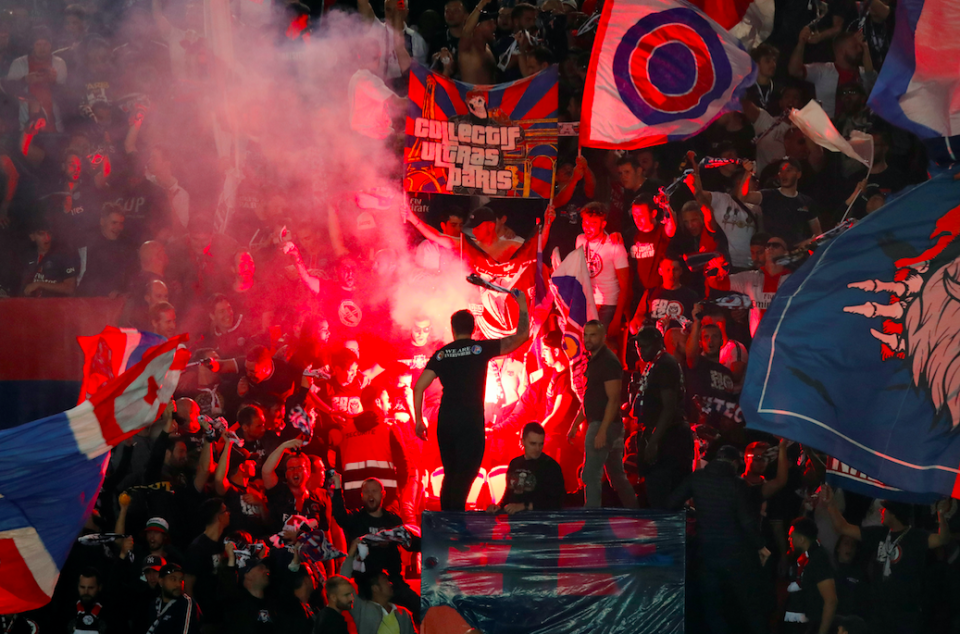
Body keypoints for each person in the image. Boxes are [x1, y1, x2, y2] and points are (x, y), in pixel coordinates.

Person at [413, 294, 529, 511]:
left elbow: (418, 387)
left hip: (446, 421)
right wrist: (522, 305)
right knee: (467, 472)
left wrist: (419, 421)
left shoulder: (442, 354)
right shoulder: (480, 349)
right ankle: (455, 522)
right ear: (474, 329)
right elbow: (522, 336)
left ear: (453, 329)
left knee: (451, 473)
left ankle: (448, 521)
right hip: (470, 421)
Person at [666, 446, 771, 634]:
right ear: (735, 463)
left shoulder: (697, 478)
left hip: (707, 553)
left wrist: (694, 512)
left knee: (713, 609)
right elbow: (746, 521)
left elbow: (672, 503)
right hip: (736, 554)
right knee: (749, 606)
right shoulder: (737, 484)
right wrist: (760, 545)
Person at [821, 486, 952, 634]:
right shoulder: (878, 534)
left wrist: (941, 515)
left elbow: (942, 538)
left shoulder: (915, 537)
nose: (881, 512)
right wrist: (831, 504)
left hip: (906, 616)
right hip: (878, 613)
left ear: (894, 514)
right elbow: (842, 527)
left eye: (885, 510)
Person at [567, 320, 638, 509]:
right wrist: (575, 424)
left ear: (603, 337)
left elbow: (613, 400)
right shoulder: (595, 360)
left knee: (590, 475)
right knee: (616, 476)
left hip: (603, 425)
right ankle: (636, 512)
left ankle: (592, 521)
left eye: (593, 335)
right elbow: (590, 398)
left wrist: (602, 431)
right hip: (602, 424)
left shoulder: (608, 361)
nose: (588, 339)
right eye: (586, 335)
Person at [330, 474, 420, 622]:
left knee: (421, 607)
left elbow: (409, 543)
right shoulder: (356, 519)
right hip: (367, 584)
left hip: (392, 581)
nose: (370, 495)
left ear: (383, 494)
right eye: (367, 492)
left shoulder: (393, 520)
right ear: (362, 495)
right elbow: (340, 515)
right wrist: (338, 487)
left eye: (374, 491)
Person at [629, 327, 692, 508]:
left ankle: (670, 533)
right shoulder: (655, 363)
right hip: (662, 436)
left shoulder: (665, 364)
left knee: (664, 499)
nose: (641, 350)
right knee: (659, 497)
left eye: (645, 346)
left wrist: (654, 441)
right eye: (638, 346)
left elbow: (669, 407)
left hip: (669, 440)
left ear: (657, 344)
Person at [707, 234, 792, 337]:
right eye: (768, 246)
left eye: (775, 245)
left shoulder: (795, 280)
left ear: (785, 253)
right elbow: (716, 283)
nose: (770, 248)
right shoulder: (751, 277)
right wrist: (715, 268)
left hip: (784, 342)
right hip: (759, 346)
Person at [788, 28, 876, 118]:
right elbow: (794, 71)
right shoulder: (823, 71)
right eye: (855, 47)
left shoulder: (864, 72)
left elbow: (872, 86)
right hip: (828, 128)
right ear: (840, 51)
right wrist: (801, 43)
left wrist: (866, 47)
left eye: (860, 47)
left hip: (859, 127)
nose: (860, 50)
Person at [576, 202, 631, 338]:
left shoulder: (614, 246)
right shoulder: (580, 240)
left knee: (597, 342)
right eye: (585, 223)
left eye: (593, 223)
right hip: (588, 302)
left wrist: (617, 318)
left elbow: (625, 286)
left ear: (603, 224)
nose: (587, 228)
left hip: (608, 305)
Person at [741, 159, 822, 248]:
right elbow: (743, 196)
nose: (784, 174)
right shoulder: (768, 195)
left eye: (788, 170)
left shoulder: (806, 201)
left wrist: (809, 243)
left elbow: (818, 234)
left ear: (798, 174)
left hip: (798, 255)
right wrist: (748, 173)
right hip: (773, 253)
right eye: (781, 171)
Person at [487, 422, 565, 513]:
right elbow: (509, 496)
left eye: (541, 444)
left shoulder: (551, 466)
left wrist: (525, 506)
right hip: (516, 523)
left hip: (540, 524)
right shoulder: (515, 464)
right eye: (533, 444)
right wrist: (497, 507)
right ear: (522, 441)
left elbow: (557, 502)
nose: (537, 448)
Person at [784, 517, 838, 634]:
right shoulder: (799, 558)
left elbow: (831, 600)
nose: (789, 539)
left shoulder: (819, 559)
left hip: (811, 626)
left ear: (801, 539)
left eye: (791, 537)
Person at [338, 558, 417, 634]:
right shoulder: (362, 610)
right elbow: (342, 581)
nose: (390, 584)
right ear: (375, 588)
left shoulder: (403, 613)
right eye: (385, 581)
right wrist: (351, 553)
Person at [183, 498, 229, 627]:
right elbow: (188, 585)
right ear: (218, 516)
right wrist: (194, 617)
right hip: (206, 618)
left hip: (222, 614)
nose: (229, 514)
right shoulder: (197, 548)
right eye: (226, 511)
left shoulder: (223, 544)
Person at [628, 256, 701, 334]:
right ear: (660, 271)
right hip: (655, 340)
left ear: (681, 271)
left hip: (680, 340)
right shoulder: (650, 293)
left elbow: (698, 323)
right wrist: (640, 323)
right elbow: (635, 322)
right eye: (667, 269)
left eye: (675, 269)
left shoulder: (690, 295)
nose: (671, 273)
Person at [144, 563, 201, 634]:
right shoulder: (154, 604)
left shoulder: (186, 603)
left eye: (181, 580)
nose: (178, 584)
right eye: (173, 579)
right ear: (161, 581)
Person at [68, 567, 109, 634]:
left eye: (91, 588)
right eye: (82, 587)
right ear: (77, 587)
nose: (86, 592)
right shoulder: (67, 612)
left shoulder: (110, 613)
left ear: (99, 588)